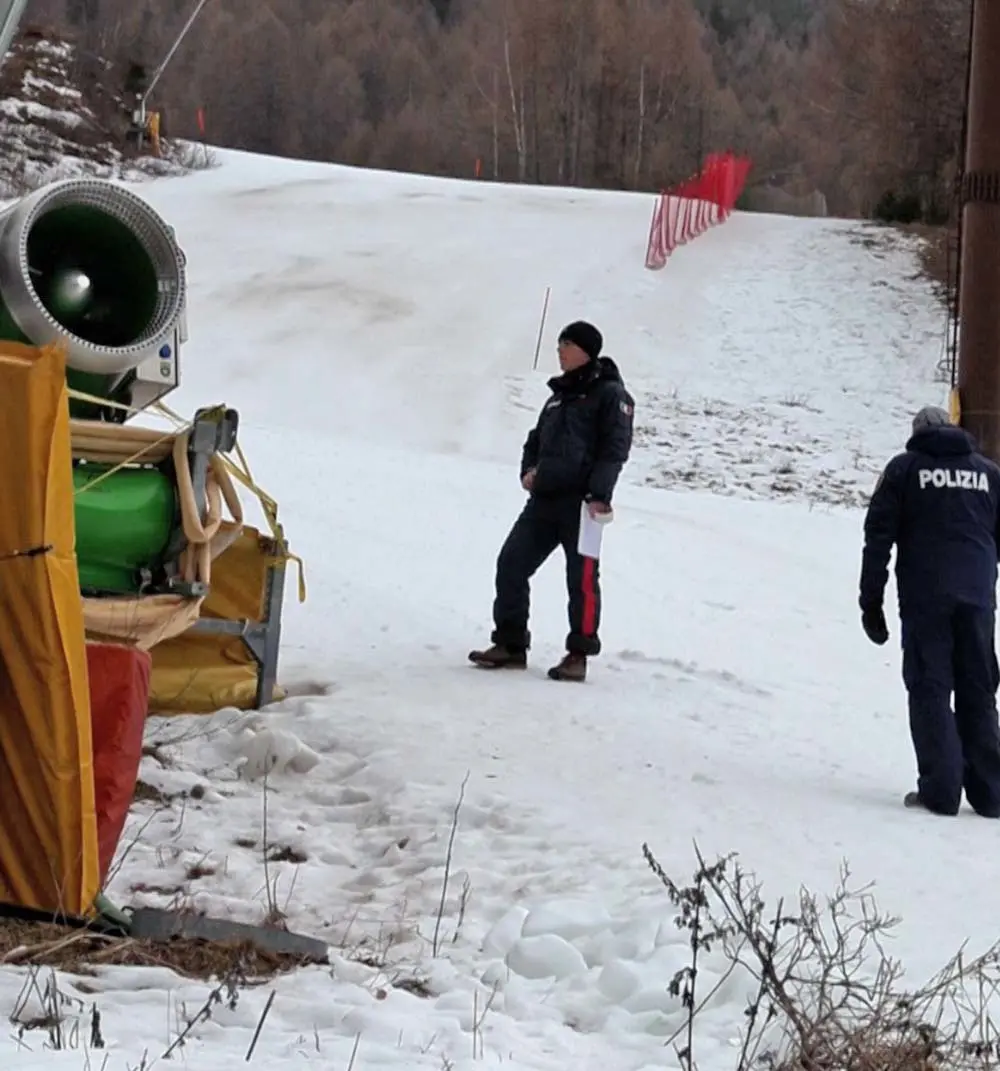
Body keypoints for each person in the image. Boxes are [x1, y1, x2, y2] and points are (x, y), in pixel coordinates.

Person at [469, 320, 635, 682]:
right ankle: (511, 645)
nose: (559, 350)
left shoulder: (610, 395)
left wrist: (599, 495)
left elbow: (614, 449)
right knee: (511, 562)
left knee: (582, 580)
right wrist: (529, 471)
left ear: (585, 350)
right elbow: (535, 439)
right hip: (544, 501)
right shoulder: (557, 397)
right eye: (559, 343)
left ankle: (579, 654)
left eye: (566, 344)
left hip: (582, 505)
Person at [859, 404, 1000, 816]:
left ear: (917, 433)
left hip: (926, 599)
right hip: (978, 599)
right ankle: (992, 793)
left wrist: (871, 603)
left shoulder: (904, 471)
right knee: (978, 688)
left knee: (930, 687)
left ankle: (940, 791)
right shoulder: (990, 475)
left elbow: (877, 539)